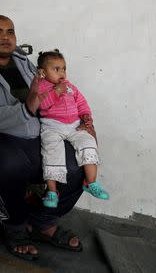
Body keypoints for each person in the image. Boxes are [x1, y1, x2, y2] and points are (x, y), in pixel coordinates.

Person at [0, 15, 89, 261]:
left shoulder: (26, 64)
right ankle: (15, 226)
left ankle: (42, 223)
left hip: (36, 134)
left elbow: (54, 98)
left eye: (10, 31)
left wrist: (81, 122)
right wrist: (23, 110)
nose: (5, 37)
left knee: (80, 162)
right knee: (12, 165)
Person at [36, 49, 109, 209]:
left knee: (88, 142)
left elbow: (82, 104)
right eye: (56, 69)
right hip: (52, 126)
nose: (62, 73)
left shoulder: (70, 87)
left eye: (63, 68)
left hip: (74, 125)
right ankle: (52, 191)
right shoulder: (41, 87)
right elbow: (41, 105)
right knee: (51, 151)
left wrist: (86, 116)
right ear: (42, 72)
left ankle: (90, 183)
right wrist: (56, 92)